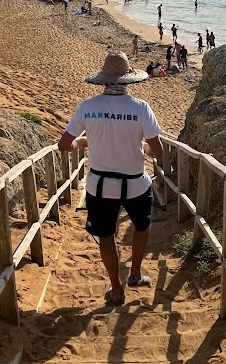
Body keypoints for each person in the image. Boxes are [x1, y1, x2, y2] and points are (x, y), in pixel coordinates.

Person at [58, 52, 163, 305]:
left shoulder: (88, 107)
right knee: (141, 227)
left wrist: (83, 141)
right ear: (128, 81)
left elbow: (64, 145)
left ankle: (116, 288)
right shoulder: (140, 108)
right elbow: (156, 149)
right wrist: (144, 151)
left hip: (100, 185)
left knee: (106, 235)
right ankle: (135, 273)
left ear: (103, 81)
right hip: (136, 184)